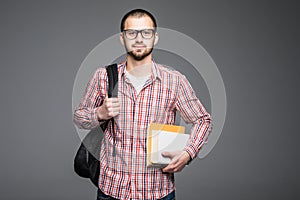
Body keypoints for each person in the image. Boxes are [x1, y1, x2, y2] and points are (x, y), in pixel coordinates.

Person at [74, 8, 212, 200]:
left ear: (155, 38)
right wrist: (99, 113)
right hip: (113, 189)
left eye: (146, 33)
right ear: (122, 39)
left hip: (157, 191)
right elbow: (80, 117)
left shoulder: (174, 81)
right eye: (132, 33)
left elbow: (202, 120)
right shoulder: (103, 77)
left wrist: (189, 153)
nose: (139, 39)